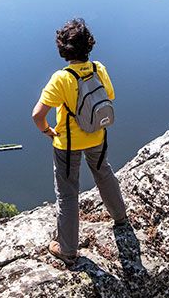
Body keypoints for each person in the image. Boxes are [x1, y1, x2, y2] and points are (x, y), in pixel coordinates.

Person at [31, 18, 128, 266]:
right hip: (97, 135)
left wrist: (47, 131)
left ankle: (68, 250)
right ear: (89, 45)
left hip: (68, 145)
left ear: (63, 49)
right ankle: (120, 218)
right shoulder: (99, 69)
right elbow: (110, 97)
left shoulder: (61, 79)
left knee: (67, 193)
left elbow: (37, 115)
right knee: (104, 173)